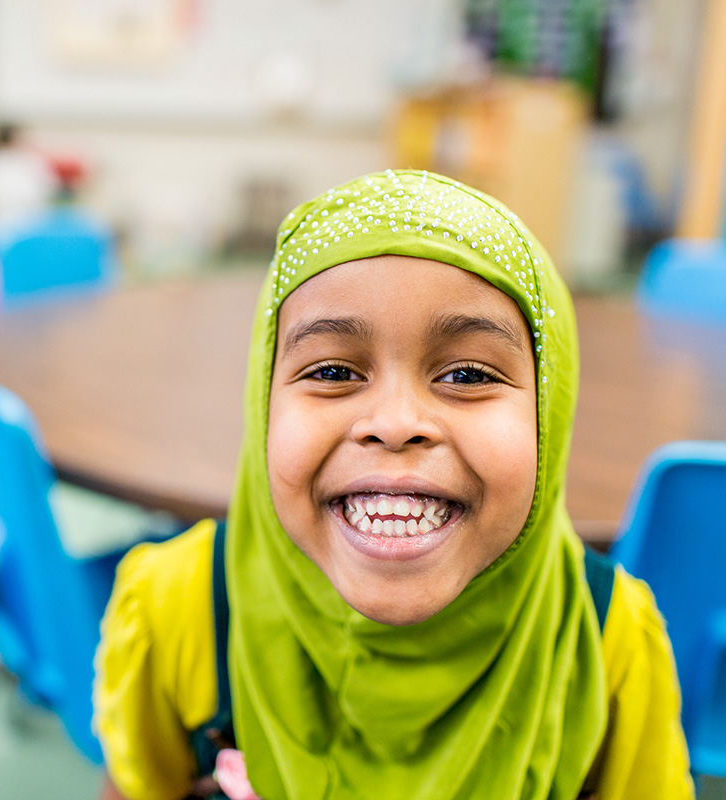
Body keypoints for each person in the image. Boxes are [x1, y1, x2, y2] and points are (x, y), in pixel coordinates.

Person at [94, 170, 693, 800]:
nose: (396, 424)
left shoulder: (604, 638)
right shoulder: (181, 604)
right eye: (331, 370)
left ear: (550, 412)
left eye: (467, 375)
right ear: (261, 402)